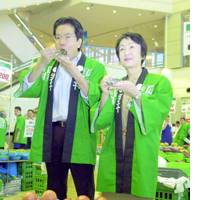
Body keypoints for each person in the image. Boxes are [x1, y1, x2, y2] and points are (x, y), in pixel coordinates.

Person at [15, 17, 105, 200]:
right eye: (57, 37)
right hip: (53, 132)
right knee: (54, 188)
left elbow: (95, 98)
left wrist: (74, 71)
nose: (61, 41)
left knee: (83, 188)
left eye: (68, 36)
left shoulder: (95, 67)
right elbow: (27, 88)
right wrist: (41, 62)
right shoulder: (49, 66)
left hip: (80, 133)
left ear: (79, 41)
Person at [92, 33, 173, 199]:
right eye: (121, 49)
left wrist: (136, 94)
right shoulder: (116, 86)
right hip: (113, 163)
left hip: (140, 162)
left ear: (143, 54)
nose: (125, 52)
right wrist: (105, 94)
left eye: (131, 47)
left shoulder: (159, 82)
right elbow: (100, 122)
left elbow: (156, 117)